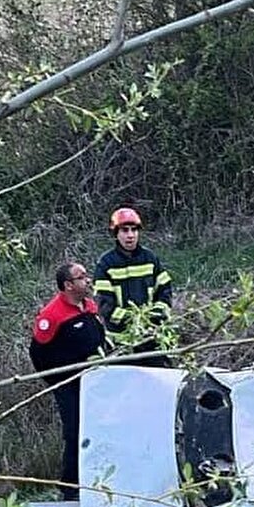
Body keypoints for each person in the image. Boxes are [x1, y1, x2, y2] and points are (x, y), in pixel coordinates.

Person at [29, 261, 106, 488]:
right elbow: (38, 354)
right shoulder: (51, 315)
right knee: (75, 432)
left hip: (95, 381)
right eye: (81, 277)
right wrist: (57, 383)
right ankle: (70, 486)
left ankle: (97, 480)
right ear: (68, 285)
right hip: (69, 384)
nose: (88, 280)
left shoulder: (89, 306)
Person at [93, 206, 174, 366]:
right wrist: (134, 321)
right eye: (124, 230)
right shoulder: (106, 264)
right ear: (116, 234)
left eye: (134, 230)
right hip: (122, 345)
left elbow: (165, 292)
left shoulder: (150, 259)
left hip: (152, 338)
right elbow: (105, 306)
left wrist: (154, 317)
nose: (130, 235)